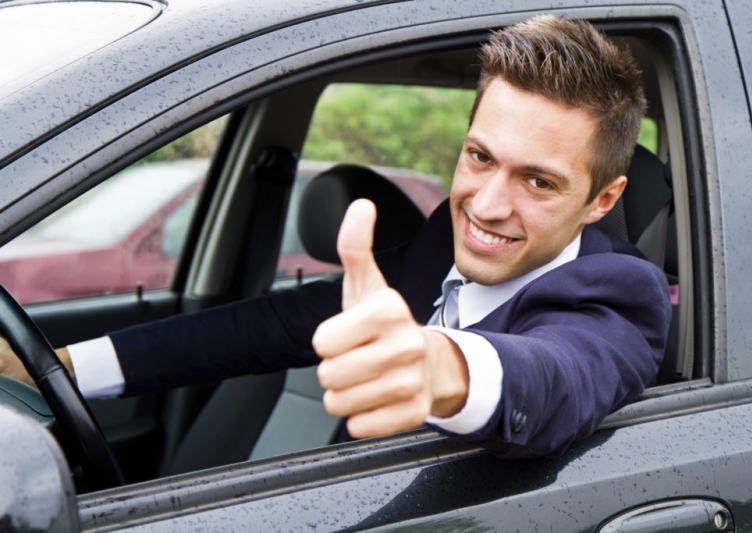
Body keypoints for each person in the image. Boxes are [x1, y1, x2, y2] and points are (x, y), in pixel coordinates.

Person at [0, 15, 670, 459]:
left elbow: (560, 376)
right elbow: (267, 325)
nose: (486, 205)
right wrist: (62, 364)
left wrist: (440, 366)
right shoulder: (443, 239)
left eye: (539, 182)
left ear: (600, 200)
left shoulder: (619, 296)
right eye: (479, 157)